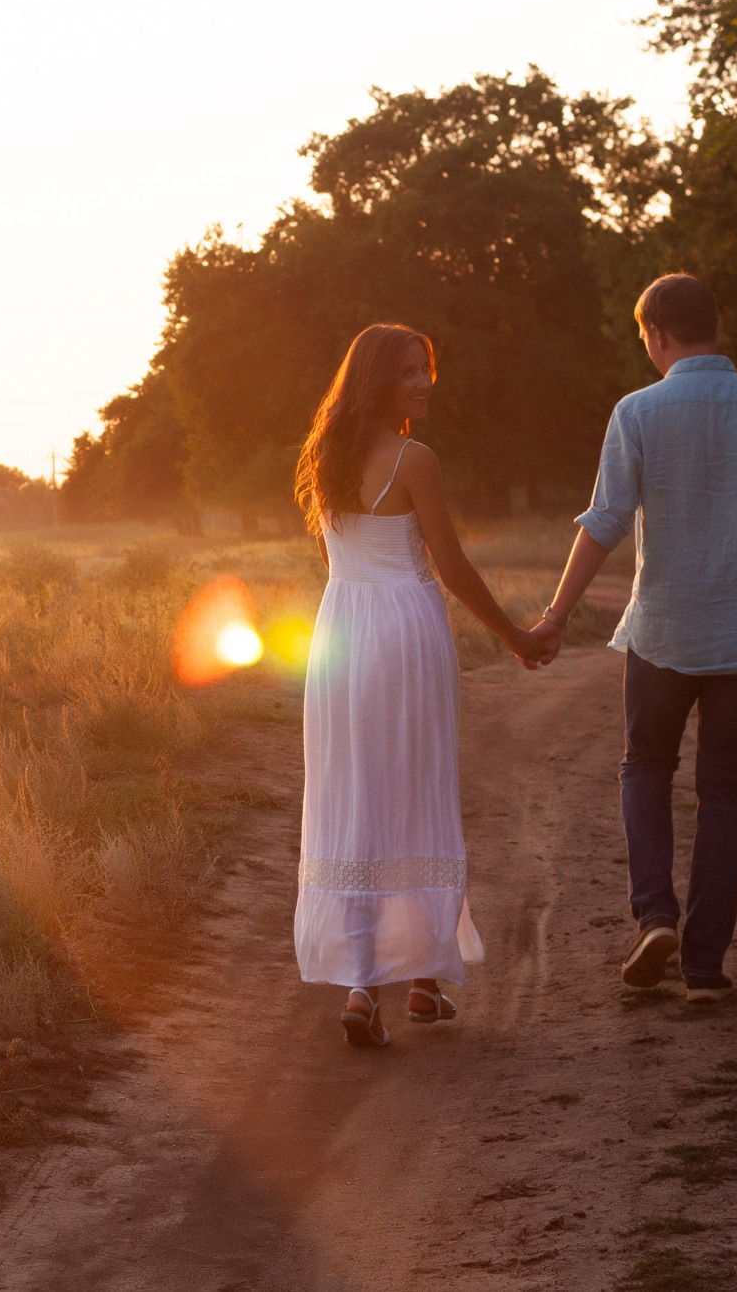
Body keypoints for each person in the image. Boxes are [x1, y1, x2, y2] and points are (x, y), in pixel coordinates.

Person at [529, 273, 737, 1003]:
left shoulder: (638, 411)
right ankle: (704, 967)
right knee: (724, 791)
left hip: (664, 632)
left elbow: (605, 521)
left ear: (657, 334)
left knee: (645, 767)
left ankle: (655, 916)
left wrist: (557, 614)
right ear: (712, 326)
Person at [293, 323, 549, 1048]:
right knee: (415, 785)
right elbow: (453, 568)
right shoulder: (415, 459)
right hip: (405, 628)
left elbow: (336, 558)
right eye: (409, 371)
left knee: (356, 792)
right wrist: (516, 636)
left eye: (426, 369)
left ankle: (374, 985)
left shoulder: (324, 456)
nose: (424, 382)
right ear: (377, 380)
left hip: (341, 632)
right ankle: (415, 977)